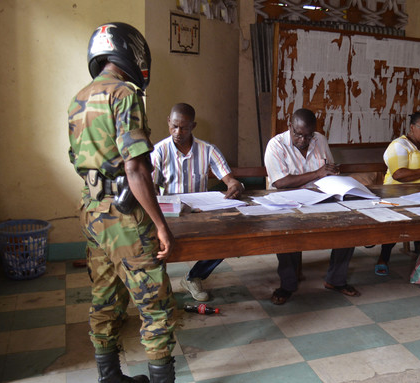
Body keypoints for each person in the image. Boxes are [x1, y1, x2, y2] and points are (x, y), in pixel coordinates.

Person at [68, 23, 175, 382]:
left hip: (91, 208)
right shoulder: (125, 94)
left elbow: (76, 157)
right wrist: (161, 225)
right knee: (154, 304)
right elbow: (136, 168)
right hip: (123, 214)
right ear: (126, 54)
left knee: (105, 294)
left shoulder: (79, 98)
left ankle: (109, 377)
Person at [264, 108, 360, 304]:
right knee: (286, 232)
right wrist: (317, 173)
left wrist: (332, 174)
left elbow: (327, 170)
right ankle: (287, 285)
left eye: (308, 135)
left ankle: (336, 280)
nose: (303, 140)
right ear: (290, 126)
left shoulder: (320, 140)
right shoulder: (276, 145)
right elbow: (280, 182)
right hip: (289, 200)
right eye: (298, 134)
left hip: (320, 197)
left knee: (350, 225)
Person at [151, 103, 244, 302]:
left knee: (226, 241)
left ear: (193, 126)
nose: (178, 132)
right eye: (174, 126)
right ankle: (159, 287)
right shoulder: (159, 151)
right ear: (168, 121)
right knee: (153, 244)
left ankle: (193, 278)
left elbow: (230, 179)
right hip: (172, 215)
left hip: (201, 213)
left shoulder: (207, 150)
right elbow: (150, 188)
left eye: (184, 127)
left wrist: (235, 185)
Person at [375, 112, 420, 276]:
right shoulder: (399, 145)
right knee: (397, 223)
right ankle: (383, 258)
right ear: (412, 128)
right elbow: (398, 174)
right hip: (397, 196)